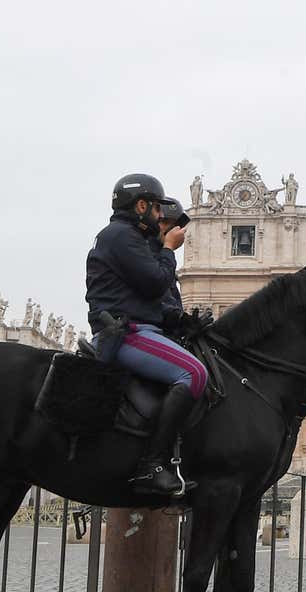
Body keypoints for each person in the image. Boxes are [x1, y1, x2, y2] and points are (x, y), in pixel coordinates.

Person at [86, 173, 209, 496]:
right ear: (140, 206)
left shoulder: (126, 238)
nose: (160, 217)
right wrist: (168, 249)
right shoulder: (120, 236)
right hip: (125, 332)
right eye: (156, 209)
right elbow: (155, 283)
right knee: (193, 373)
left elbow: (153, 300)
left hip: (137, 326)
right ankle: (151, 465)